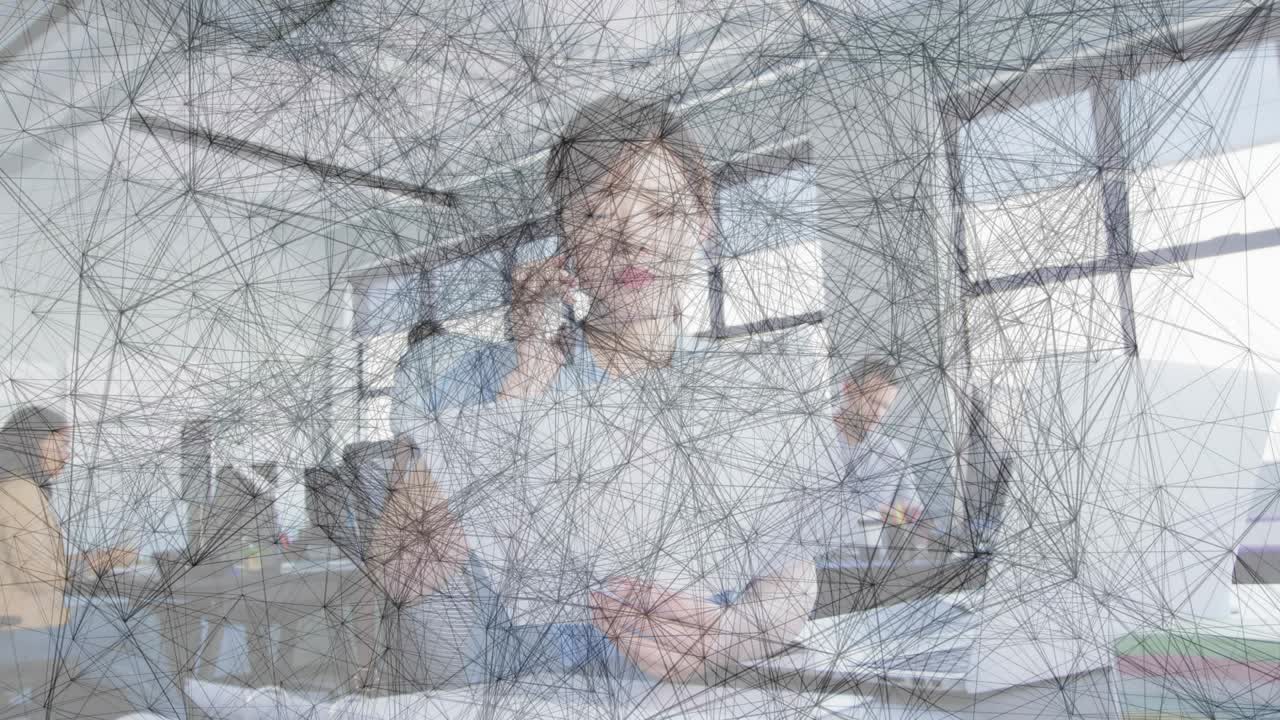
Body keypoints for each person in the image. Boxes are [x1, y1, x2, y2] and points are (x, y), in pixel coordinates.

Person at [375, 93, 819, 688]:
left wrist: (729, 634)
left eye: (659, 211)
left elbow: (789, 589)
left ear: (703, 221)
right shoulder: (459, 374)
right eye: (594, 216)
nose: (630, 242)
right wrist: (525, 379)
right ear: (565, 242)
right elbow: (403, 573)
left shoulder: (748, 391)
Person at [0, 405, 178, 717]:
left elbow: (34, 566)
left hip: (14, 625)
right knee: (136, 623)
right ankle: (166, 711)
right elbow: (40, 578)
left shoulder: (11, 487)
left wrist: (94, 559)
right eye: (63, 443)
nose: (67, 454)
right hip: (15, 633)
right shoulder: (22, 491)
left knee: (115, 636)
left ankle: (136, 704)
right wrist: (96, 562)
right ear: (33, 441)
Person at [833, 355, 925, 531]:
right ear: (847, 388)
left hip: (872, 555)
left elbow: (913, 512)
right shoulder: (811, 441)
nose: (878, 414)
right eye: (873, 401)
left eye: (885, 406)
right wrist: (875, 513)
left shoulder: (893, 453)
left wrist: (900, 515)